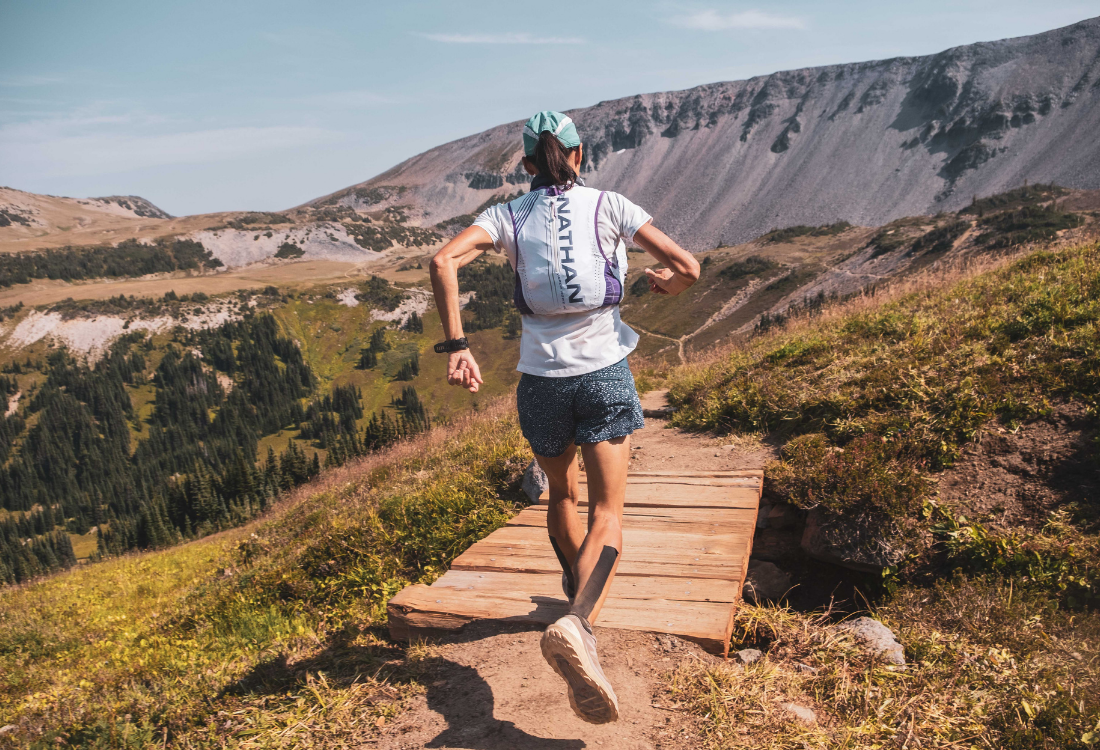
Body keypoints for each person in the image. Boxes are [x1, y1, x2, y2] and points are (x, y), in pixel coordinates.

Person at [429, 110, 699, 724]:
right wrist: (666, 286)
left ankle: (575, 615)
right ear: (579, 154)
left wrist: (457, 347)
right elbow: (689, 267)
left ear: (527, 165)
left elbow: (443, 261)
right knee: (609, 511)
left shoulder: (506, 216)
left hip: (540, 383)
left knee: (562, 497)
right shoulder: (612, 205)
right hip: (603, 373)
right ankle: (579, 623)